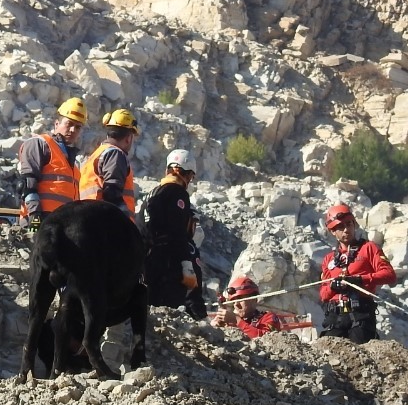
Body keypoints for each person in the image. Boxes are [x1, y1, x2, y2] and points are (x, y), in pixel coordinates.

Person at [317, 203, 396, 344]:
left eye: (349, 224)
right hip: (335, 317)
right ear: (332, 232)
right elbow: (323, 295)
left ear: (354, 224)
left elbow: (389, 275)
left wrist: (360, 279)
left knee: (359, 354)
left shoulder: (368, 248)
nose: (346, 230)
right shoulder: (329, 259)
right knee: (326, 353)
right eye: (340, 227)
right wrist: (332, 288)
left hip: (361, 315)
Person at [141, 149, 205, 316]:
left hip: (146, 260)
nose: (189, 181)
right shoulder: (176, 193)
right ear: (182, 172)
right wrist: (186, 264)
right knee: (167, 309)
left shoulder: (151, 194)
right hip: (167, 263)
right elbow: (177, 232)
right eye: (190, 176)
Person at [17, 97, 87, 229]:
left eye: (78, 127)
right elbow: (27, 184)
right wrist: (35, 215)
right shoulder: (39, 144)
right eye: (69, 124)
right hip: (42, 222)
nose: (73, 130)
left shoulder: (72, 163)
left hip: (64, 226)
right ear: (56, 124)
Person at [79, 108, 139, 220]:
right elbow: (112, 193)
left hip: (89, 218)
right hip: (103, 222)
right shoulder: (115, 154)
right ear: (128, 138)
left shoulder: (96, 155)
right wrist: (124, 223)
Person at [211, 275, 286, 338]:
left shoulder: (269, 318)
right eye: (233, 301)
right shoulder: (231, 322)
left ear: (254, 299)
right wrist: (215, 328)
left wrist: (237, 321)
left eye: (240, 299)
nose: (236, 304)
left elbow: (267, 339)